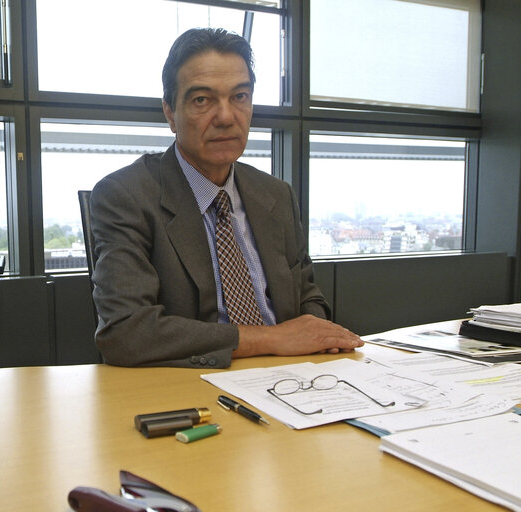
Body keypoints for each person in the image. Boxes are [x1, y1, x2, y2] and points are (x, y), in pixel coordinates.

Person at [89, 27, 362, 368]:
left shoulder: (276, 195)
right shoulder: (126, 196)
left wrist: (313, 337)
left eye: (239, 97)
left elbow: (308, 296)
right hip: (195, 386)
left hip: (293, 380)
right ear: (170, 113)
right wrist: (271, 339)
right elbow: (126, 332)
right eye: (202, 100)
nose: (226, 117)